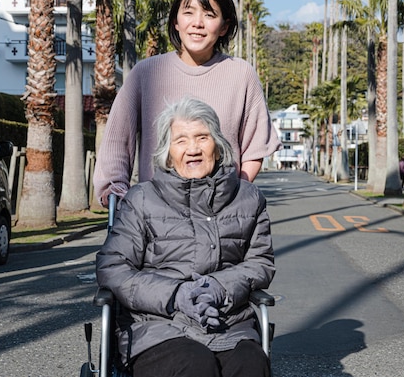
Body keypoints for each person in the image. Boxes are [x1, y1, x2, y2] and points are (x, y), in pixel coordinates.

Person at [96, 98, 275, 377]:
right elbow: (113, 268)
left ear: (217, 146)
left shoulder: (248, 198)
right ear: (168, 153)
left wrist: (219, 288)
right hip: (157, 327)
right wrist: (176, 295)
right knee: (195, 365)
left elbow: (260, 262)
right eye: (181, 140)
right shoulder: (141, 199)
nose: (193, 149)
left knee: (251, 365)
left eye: (202, 137)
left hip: (228, 323)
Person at [93, 0, 281, 206]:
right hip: (157, 217)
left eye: (210, 15)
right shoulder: (146, 73)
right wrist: (116, 195)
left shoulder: (241, 74)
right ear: (175, 21)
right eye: (188, 13)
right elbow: (116, 142)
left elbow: (254, 148)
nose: (197, 23)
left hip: (222, 215)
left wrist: (235, 195)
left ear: (224, 26)